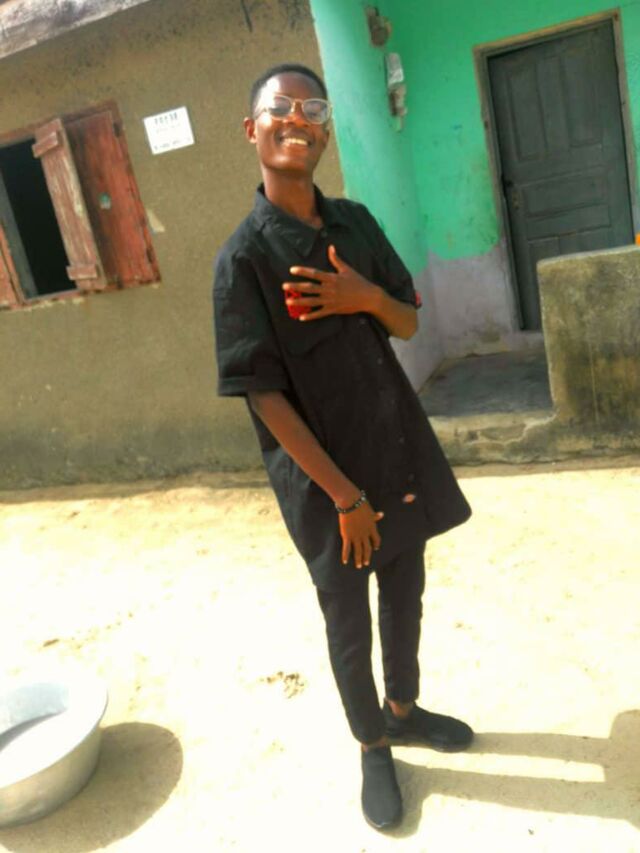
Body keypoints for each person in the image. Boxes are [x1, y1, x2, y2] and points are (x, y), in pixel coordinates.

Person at [213, 62, 473, 831]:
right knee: (348, 619)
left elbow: (407, 320)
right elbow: (264, 396)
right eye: (281, 107)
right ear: (252, 129)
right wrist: (345, 497)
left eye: (314, 108)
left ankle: (404, 710)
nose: (298, 118)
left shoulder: (355, 224)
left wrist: (364, 296)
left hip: (393, 446)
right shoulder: (243, 261)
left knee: (406, 588)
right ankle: (372, 746)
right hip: (326, 483)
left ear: (326, 131)